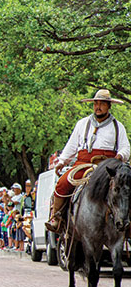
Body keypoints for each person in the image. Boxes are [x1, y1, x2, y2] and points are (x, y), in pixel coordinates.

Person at [46, 89, 129, 232]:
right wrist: (62, 161)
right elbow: (71, 146)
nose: (98, 107)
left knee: (125, 188)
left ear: (109, 106)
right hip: (83, 164)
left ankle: (126, 221)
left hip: (108, 167)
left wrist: (120, 156)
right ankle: (57, 218)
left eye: (102, 104)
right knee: (62, 184)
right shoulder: (82, 123)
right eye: (95, 103)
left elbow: (126, 147)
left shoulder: (118, 126)